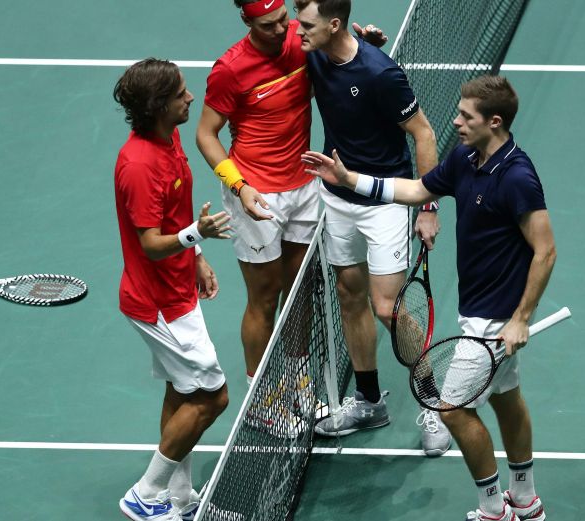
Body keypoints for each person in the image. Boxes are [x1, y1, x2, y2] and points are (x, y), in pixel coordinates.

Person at [303, 74, 555, 521]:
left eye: (465, 115)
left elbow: (545, 250)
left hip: (495, 318)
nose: (455, 121)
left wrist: (520, 318)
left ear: (494, 122)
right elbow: (417, 190)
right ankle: (526, 500)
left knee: (452, 409)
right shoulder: (466, 157)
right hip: (480, 307)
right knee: (506, 399)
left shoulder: (517, 178)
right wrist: (349, 179)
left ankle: (494, 509)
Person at [195, 0, 389, 431]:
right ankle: (262, 399)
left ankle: (298, 382)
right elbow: (205, 135)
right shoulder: (230, 69)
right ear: (247, 21)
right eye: (270, 24)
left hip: (303, 185)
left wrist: (366, 49)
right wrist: (239, 188)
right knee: (265, 297)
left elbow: (340, 57)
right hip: (256, 193)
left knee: (300, 291)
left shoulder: (300, 43)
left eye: (285, 18)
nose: (283, 29)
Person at [293, 0, 450, 455]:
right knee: (348, 294)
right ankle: (367, 401)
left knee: (387, 307)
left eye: (307, 25)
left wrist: (428, 206)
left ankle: (432, 402)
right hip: (336, 198)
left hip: (384, 199)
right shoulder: (316, 52)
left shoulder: (381, 74)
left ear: (334, 23)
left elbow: (423, 134)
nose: (298, 33)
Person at [113, 58, 232, 521]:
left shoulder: (170, 134)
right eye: (182, 93)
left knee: (184, 393)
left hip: (178, 290)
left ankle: (178, 501)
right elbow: (150, 245)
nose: (191, 98)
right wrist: (196, 237)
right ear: (160, 105)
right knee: (212, 397)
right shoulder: (139, 166)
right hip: (158, 303)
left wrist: (197, 258)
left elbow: (175, 215)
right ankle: (145, 493)